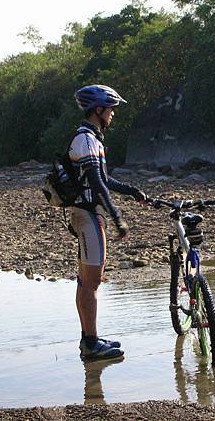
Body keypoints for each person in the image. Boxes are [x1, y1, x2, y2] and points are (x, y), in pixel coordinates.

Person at [69, 84, 146, 360]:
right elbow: (97, 183)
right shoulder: (87, 140)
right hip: (89, 215)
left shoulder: (91, 139)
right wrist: (117, 217)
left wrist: (132, 191)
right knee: (91, 282)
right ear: (98, 110)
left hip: (87, 213)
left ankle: (90, 337)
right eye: (111, 109)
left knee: (85, 281)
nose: (113, 114)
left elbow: (106, 180)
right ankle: (90, 345)